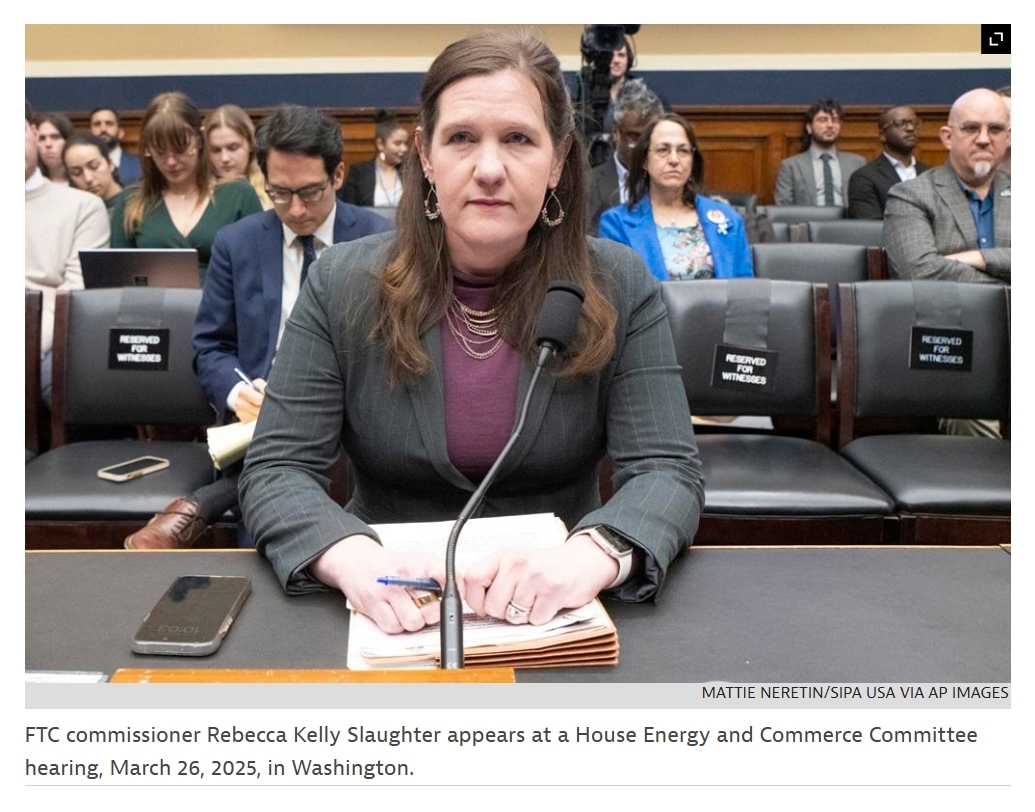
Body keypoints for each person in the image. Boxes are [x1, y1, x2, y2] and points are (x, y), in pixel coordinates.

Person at [238, 32, 703, 635]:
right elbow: (276, 469)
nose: (488, 169)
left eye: (518, 139)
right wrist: (355, 560)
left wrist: (589, 557)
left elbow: (667, 470)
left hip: (560, 612)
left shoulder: (619, 282)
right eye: (461, 138)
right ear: (426, 156)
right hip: (389, 610)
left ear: (558, 158)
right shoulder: (342, 282)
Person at [124, 105, 392, 550]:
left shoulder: (377, 239)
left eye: (310, 191)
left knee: (306, 433)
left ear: (338, 175)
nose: (297, 209)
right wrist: (238, 393)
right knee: (279, 430)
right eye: (280, 193)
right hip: (260, 410)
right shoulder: (239, 242)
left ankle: (200, 507)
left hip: (352, 410)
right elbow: (210, 347)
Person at [110, 92, 263, 282]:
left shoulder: (238, 194)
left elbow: (258, 272)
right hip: (151, 301)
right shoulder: (130, 202)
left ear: (200, 139)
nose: (171, 162)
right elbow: (118, 283)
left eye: (181, 149)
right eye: (160, 152)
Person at [598, 112, 753, 280]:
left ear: (693, 161)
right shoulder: (616, 223)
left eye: (683, 151)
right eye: (663, 150)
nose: (674, 159)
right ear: (644, 160)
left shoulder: (728, 219)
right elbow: (617, 291)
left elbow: (746, 290)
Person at [25, 103, 110, 407]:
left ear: (34, 132)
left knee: (61, 378)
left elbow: (71, 297)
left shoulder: (83, 206)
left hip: (42, 336)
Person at [884, 87, 1010, 285]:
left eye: (995, 129)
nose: (984, 139)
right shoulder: (910, 195)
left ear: (1008, 138)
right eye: (971, 128)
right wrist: (1009, 289)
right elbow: (919, 273)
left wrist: (978, 258)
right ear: (948, 138)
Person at [586, 78, 663, 233]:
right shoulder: (587, 183)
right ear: (615, 133)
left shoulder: (671, 181)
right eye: (634, 136)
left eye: (649, 137)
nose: (642, 145)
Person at [774, 99, 865, 206]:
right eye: (823, 120)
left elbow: (865, 202)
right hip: (806, 217)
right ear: (809, 127)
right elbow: (783, 207)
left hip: (847, 217)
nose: (830, 125)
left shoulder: (857, 163)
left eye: (835, 120)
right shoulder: (791, 166)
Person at [848, 106, 930, 219]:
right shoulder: (864, 178)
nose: (910, 128)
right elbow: (869, 226)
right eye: (900, 123)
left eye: (914, 123)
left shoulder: (931, 174)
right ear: (883, 136)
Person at [203, 104, 273, 209]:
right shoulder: (197, 193)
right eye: (216, 150)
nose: (225, 158)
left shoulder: (272, 186)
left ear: (250, 144)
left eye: (233, 148)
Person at [340, 108, 408, 207]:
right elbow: (349, 208)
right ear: (380, 144)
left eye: (405, 143)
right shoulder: (359, 172)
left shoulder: (409, 172)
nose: (404, 148)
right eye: (397, 144)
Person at [62, 133, 124, 210]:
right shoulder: (73, 212)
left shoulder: (134, 206)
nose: (88, 178)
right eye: (76, 172)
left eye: (94, 166)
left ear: (110, 164)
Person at [89, 106, 142, 186]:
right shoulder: (82, 169)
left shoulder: (140, 166)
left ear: (120, 133)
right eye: (97, 124)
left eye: (109, 124)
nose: (103, 129)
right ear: (90, 133)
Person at [34, 111, 73, 184]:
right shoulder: (30, 183)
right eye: (42, 139)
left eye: (55, 137)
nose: (48, 144)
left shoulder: (83, 181)